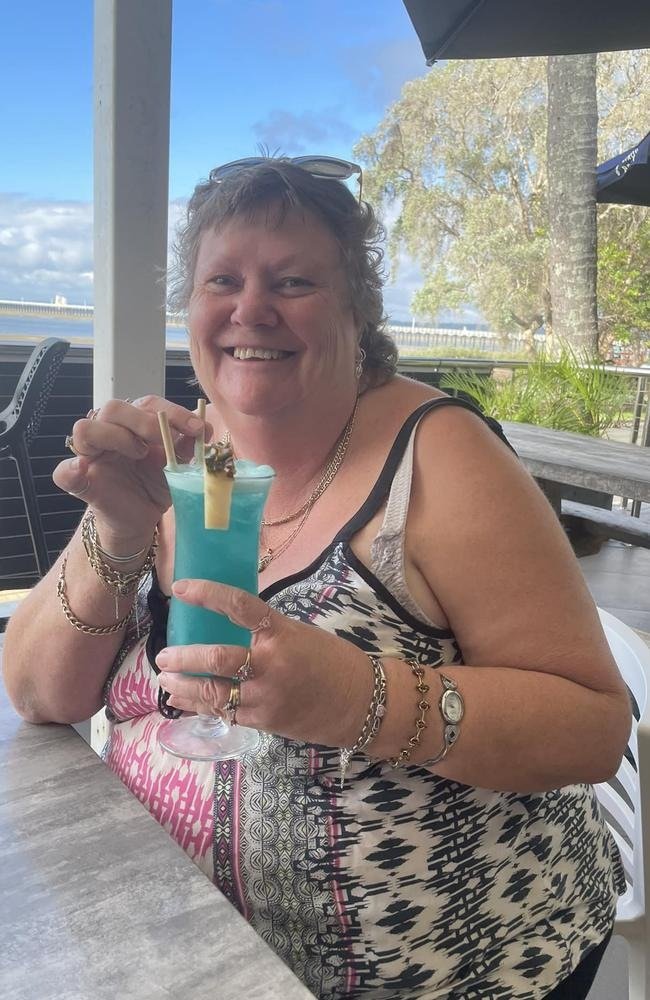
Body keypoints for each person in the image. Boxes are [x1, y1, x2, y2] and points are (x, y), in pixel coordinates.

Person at [4, 157, 631, 1000]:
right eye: (222, 280)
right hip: (185, 942)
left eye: (293, 282)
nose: (250, 309)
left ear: (357, 313)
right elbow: (37, 694)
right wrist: (116, 530)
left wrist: (353, 697)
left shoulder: (441, 458)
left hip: (452, 967)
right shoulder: (184, 455)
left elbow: (592, 729)